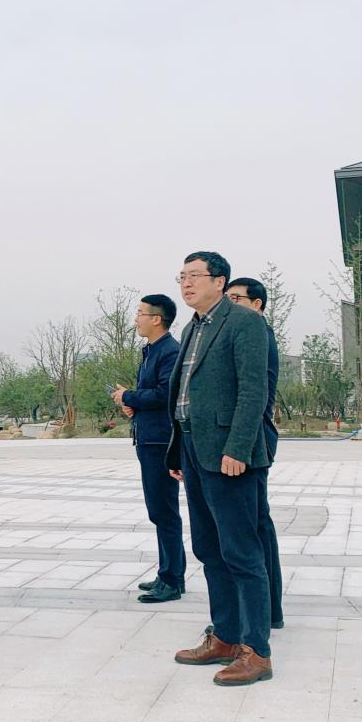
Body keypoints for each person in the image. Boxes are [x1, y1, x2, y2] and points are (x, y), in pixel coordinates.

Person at [168, 251, 274, 687]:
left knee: (242, 552)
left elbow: (253, 390)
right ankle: (226, 636)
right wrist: (178, 452)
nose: (186, 283)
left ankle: (256, 651)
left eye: (195, 276)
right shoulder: (192, 327)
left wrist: (239, 448)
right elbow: (186, 394)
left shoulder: (244, 322)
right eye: (182, 276)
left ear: (219, 281)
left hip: (229, 455)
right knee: (209, 549)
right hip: (194, 450)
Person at [110, 295, 184, 603]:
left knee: (164, 510)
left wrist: (130, 396)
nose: (136, 319)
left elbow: (166, 394)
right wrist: (133, 405)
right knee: (159, 510)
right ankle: (169, 571)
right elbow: (151, 395)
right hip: (148, 437)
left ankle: (172, 579)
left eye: (140, 313)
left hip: (160, 442)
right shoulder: (152, 350)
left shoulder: (170, 351)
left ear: (156, 319)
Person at [225, 277, 283, 628]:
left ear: (257, 304)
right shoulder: (252, 332)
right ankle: (269, 609)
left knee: (252, 528)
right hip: (253, 438)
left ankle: (263, 612)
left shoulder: (256, 333)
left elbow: (252, 395)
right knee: (258, 524)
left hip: (252, 440)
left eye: (236, 298)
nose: (229, 305)